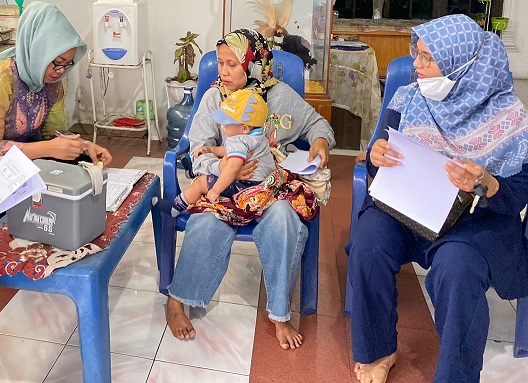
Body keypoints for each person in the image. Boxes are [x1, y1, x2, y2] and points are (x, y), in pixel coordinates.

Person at [346, 14, 528, 383]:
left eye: (427, 58)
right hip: (409, 207)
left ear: (462, 65)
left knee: (457, 269)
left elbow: (520, 190)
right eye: (417, 53)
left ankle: (457, 375)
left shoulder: (511, 116)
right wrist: (376, 156)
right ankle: (379, 350)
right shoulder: (408, 97)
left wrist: (489, 183)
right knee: (368, 243)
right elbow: (382, 154)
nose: (416, 64)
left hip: (473, 224)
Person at [165, 29, 335, 350]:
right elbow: (198, 150)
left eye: (232, 64)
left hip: (269, 188)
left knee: (284, 219)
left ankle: (280, 314)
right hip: (227, 188)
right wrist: (224, 169)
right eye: (220, 63)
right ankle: (177, 301)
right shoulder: (214, 97)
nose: (223, 71)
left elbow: (316, 123)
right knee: (204, 222)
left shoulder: (279, 96)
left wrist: (321, 142)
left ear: (254, 64)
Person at [0, 1, 112, 192]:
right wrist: (49, 149)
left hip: (16, 150)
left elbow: (52, 134)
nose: (60, 71)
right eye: (57, 62)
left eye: (68, 64)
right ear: (37, 50)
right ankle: (24, 222)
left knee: (83, 166)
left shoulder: (52, 83)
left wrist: (83, 146)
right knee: (17, 188)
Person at [167, 88, 275, 213]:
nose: (222, 127)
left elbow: (232, 169)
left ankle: (175, 207)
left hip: (247, 186)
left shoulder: (239, 140)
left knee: (200, 184)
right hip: (262, 184)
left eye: (226, 124)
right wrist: (211, 150)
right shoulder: (257, 136)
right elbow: (228, 150)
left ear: (245, 128)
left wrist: (215, 190)